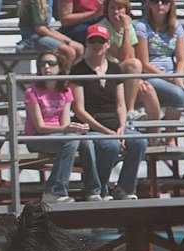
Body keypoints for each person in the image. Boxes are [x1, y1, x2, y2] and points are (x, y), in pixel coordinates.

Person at [71, 24, 148, 200]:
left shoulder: (115, 69)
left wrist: (121, 127)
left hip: (114, 124)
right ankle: (100, 189)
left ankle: (125, 188)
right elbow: (80, 110)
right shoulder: (78, 70)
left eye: (101, 41)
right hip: (91, 125)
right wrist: (109, 133)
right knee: (110, 145)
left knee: (140, 141)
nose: (97, 45)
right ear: (87, 44)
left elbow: (121, 105)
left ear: (108, 44)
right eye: (93, 41)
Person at [25, 51, 98, 202]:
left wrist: (75, 128)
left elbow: (65, 124)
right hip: (37, 138)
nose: (46, 67)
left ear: (59, 67)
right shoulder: (32, 91)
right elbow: (39, 127)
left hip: (59, 137)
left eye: (51, 64)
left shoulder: (65, 92)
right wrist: (67, 129)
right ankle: (54, 191)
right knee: (71, 139)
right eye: (42, 64)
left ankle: (93, 190)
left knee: (86, 140)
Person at [100, 0, 160, 123]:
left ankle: (155, 137)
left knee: (148, 90)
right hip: (105, 74)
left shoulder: (129, 27)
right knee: (134, 64)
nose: (116, 12)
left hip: (122, 73)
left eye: (120, 8)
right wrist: (126, 29)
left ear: (126, 10)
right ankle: (129, 111)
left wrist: (137, 79)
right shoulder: (103, 27)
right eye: (112, 8)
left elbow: (131, 56)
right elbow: (124, 57)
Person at [135, 0, 184, 135]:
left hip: (173, 75)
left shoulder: (177, 27)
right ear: (149, 4)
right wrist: (171, 78)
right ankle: (169, 136)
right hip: (151, 75)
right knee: (178, 94)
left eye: (164, 1)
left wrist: (178, 76)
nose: (159, 4)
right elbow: (144, 64)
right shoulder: (142, 27)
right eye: (154, 1)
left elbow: (182, 60)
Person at [18, 0, 84, 67]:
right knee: (69, 52)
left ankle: (64, 70)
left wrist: (62, 36)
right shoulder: (34, 2)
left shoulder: (48, 1)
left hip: (44, 34)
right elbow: (39, 28)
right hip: (33, 38)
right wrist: (60, 38)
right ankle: (64, 75)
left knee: (79, 48)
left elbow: (46, 26)